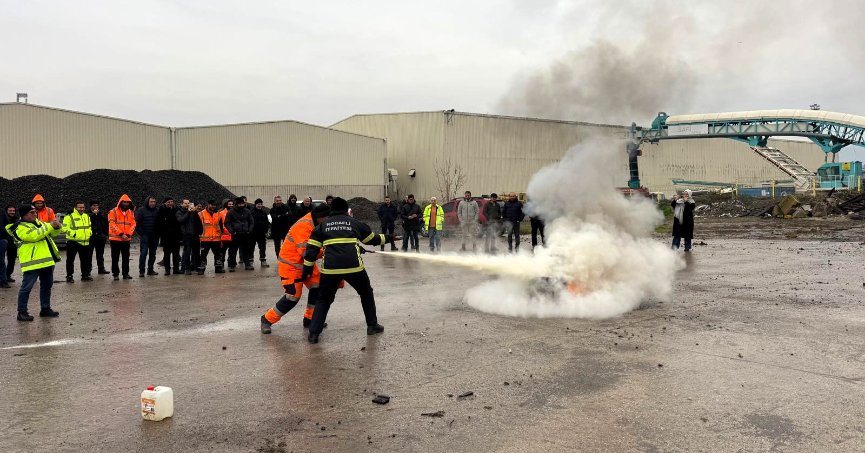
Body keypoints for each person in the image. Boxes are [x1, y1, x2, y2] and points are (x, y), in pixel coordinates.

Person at [304, 197, 388, 344]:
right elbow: (371, 240)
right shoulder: (354, 223)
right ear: (345, 209)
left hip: (330, 270)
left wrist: (307, 269)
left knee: (323, 299)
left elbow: (311, 251)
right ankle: (372, 325)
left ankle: (314, 334)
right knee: (366, 293)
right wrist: (389, 238)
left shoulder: (322, 226)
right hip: (354, 268)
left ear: (332, 210)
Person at [261, 203, 332, 334]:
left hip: (306, 264)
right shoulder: (304, 226)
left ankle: (310, 319)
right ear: (321, 217)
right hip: (291, 266)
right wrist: (327, 250)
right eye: (327, 218)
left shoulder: (316, 223)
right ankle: (266, 319)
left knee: (317, 287)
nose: (329, 222)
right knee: (292, 297)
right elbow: (306, 252)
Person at [6, 204, 62, 321]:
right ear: (24, 215)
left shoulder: (39, 223)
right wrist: (50, 226)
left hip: (46, 261)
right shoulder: (19, 227)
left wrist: (57, 227)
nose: (35, 214)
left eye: (35, 212)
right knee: (26, 288)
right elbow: (34, 236)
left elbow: (52, 233)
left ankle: (45, 309)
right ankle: (22, 312)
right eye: (32, 212)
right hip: (32, 263)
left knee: (47, 286)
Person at [62, 201, 93, 283]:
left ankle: (85, 275)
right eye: (80, 207)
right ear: (75, 207)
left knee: (85, 260)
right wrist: (75, 235)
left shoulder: (86, 216)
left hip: (85, 242)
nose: (81, 209)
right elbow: (64, 229)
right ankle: (69, 276)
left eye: (83, 207)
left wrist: (90, 233)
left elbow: (89, 227)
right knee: (70, 260)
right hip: (73, 242)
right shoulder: (69, 217)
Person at [108, 194, 136, 280]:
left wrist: (127, 235)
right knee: (115, 258)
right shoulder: (113, 211)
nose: (126, 204)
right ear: (121, 202)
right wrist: (121, 234)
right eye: (124, 202)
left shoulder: (131, 213)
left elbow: (133, 224)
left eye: (127, 202)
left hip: (126, 239)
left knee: (126, 258)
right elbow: (112, 224)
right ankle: (115, 273)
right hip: (115, 239)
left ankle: (125, 273)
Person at [225, 197, 255, 271]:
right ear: (236, 204)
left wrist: (249, 230)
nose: (241, 205)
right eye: (240, 204)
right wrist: (232, 231)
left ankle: (247, 265)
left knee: (246, 250)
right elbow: (227, 223)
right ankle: (232, 265)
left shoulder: (247, 211)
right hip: (235, 234)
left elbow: (251, 221)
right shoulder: (231, 212)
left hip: (245, 233)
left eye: (242, 203)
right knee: (233, 250)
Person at [198, 200, 225, 274]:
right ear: (208, 204)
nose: (213, 206)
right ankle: (201, 269)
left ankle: (218, 268)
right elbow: (197, 226)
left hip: (216, 239)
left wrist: (221, 237)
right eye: (211, 205)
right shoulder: (201, 214)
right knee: (203, 255)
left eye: (214, 205)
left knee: (218, 255)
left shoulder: (218, 214)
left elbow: (221, 227)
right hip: (205, 239)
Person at [135, 196, 160, 277]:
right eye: (151, 202)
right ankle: (141, 271)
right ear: (147, 202)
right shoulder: (141, 210)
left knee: (153, 254)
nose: (153, 203)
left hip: (155, 236)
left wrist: (158, 233)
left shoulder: (157, 210)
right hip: (145, 235)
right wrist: (142, 233)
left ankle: (150, 270)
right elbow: (137, 223)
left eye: (154, 202)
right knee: (143, 254)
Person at [157, 197, 182, 275]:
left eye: (171, 201)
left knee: (176, 253)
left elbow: (179, 222)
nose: (170, 203)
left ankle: (176, 269)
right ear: (164, 203)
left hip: (175, 235)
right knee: (167, 254)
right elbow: (159, 223)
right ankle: (167, 269)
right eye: (168, 202)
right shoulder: (161, 210)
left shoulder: (176, 209)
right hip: (166, 236)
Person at [176, 199, 201, 275]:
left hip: (195, 235)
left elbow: (198, 222)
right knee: (187, 253)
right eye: (185, 203)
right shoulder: (179, 212)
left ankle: (197, 268)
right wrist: (188, 212)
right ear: (181, 204)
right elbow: (181, 220)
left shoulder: (194, 212)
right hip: (186, 236)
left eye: (188, 203)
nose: (187, 204)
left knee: (196, 253)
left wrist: (195, 212)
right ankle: (187, 268)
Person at [87, 201, 110, 275]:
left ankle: (101, 269)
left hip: (100, 237)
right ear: (90, 206)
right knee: (89, 255)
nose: (96, 207)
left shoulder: (101, 214)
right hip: (90, 237)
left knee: (100, 254)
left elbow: (106, 223)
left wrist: (105, 235)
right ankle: (88, 270)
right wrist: (94, 214)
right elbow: (89, 221)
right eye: (94, 205)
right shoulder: (87, 215)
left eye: (97, 205)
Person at [251, 199, 270, 267]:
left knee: (262, 247)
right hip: (253, 233)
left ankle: (263, 260)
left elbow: (267, 223)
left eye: (261, 204)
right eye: (258, 204)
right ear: (255, 204)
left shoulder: (264, 212)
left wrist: (266, 230)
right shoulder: (251, 212)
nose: (259, 205)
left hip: (261, 234)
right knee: (251, 247)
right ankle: (250, 261)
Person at [220, 199, 236, 271]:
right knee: (222, 251)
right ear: (226, 204)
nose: (231, 205)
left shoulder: (235, 212)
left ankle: (231, 264)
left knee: (232, 251)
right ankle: (221, 264)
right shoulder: (221, 213)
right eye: (229, 204)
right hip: (224, 235)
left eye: (232, 204)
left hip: (233, 235)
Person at [0, 205, 14, 288]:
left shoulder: (1, 211)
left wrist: (5, 237)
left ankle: (3, 281)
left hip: (1, 239)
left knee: (1, 261)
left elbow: (7, 224)